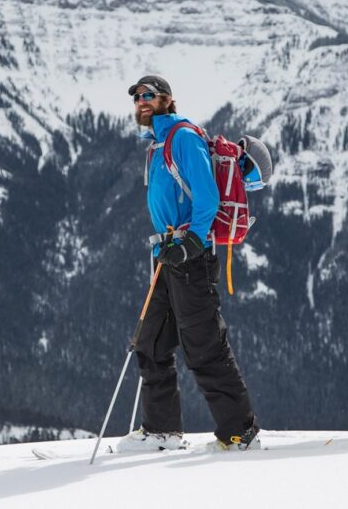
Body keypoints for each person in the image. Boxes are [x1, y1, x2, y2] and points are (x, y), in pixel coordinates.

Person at [117, 74, 260, 452]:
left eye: (149, 95)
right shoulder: (157, 143)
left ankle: (240, 432)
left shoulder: (183, 137)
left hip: (190, 258)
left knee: (204, 346)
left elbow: (207, 197)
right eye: (137, 97)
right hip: (166, 256)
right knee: (150, 343)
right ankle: (161, 431)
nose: (142, 101)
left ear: (167, 99)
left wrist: (193, 242)